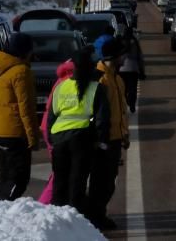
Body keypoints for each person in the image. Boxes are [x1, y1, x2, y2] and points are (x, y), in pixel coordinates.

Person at [48, 50, 109, 215]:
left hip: (59, 138)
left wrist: (51, 139)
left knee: (60, 181)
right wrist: (102, 142)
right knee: (77, 181)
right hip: (82, 139)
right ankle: (75, 217)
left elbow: (52, 115)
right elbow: (102, 119)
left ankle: (56, 216)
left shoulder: (61, 86)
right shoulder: (97, 88)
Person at [0, 32, 39, 201]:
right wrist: (32, 137)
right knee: (19, 178)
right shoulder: (21, 71)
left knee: (6, 176)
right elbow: (26, 108)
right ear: (25, 51)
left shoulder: (0, 69)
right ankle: (5, 210)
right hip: (15, 133)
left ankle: (1, 207)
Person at [88, 37, 129, 231]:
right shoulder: (100, 79)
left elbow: (121, 110)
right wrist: (98, 140)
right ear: (115, 56)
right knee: (100, 183)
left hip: (115, 139)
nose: (125, 57)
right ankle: (95, 218)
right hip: (103, 141)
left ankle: (98, 215)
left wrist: (124, 133)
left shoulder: (117, 78)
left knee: (109, 182)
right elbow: (94, 113)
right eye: (123, 54)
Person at [39, 58, 76, 205]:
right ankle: (43, 205)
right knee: (60, 173)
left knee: (59, 171)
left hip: (51, 128)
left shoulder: (62, 79)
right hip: (57, 130)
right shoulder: (69, 82)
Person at [120, 28, 146, 114]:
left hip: (121, 69)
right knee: (132, 88)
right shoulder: (135, 43)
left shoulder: (120, 42)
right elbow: (140, 58)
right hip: (133, 69)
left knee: (123, 88)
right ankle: (131, 104)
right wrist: (142, 70)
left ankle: (123, 105)